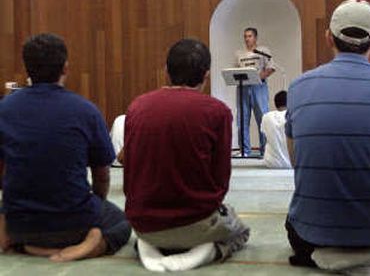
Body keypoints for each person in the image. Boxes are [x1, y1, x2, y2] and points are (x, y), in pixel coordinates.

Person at [285, 0, 370, 271]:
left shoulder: (298, 87)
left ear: (328, 38)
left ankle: (330, 255)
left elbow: (295, 160)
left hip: (308, 237)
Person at [0, 33, 131, 261]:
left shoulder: (4, 109)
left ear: (27, 69)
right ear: (65, 68)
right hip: (75, 221)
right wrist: (97, 205)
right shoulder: (86, 111)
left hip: (21, 221)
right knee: (121, 222)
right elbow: (102, 175)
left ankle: (25, 244)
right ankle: (92, 243)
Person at [124, 39, 250, 271]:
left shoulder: (137, 106)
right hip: (196, 223)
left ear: (166, 71)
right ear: (206, 74)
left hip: (144, 223)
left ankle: (146, 245)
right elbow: (221, 178)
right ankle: (208, 251)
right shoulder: (217, 111)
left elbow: (128, 167)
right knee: (240, 230)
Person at [236, 27, 276, 157]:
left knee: (262, 118)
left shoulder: (263, 51)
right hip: (243, 88)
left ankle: (265, 151)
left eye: (250, 36)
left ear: (255, 38)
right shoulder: (239, 54)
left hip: (259, 87)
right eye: (245, 36)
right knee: (242, 119)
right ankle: (244, 151)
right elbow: (235, 71)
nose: (247, 39)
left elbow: (271, 68)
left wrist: (257, 77)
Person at [260, 90, 291, 168]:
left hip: (271, 163)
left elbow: (265, 135)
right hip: (292, 162)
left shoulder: (266, 117)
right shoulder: (294, 116)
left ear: (275, 103)